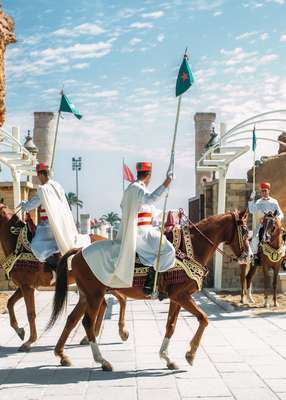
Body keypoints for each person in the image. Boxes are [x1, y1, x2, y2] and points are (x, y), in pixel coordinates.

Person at [82, 161, 175, 294]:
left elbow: (152, 212)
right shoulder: (136, 189)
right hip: (141, 233)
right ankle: (151, 281)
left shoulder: (137, 190)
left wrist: (173, 212)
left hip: (146, 231)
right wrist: (167, 183)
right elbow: (151, 199)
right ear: (149, 175)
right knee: (169, 250)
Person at [18, 163, 90, 268]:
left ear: (41, 175)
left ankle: (55, 267)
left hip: (48, 226)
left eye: (38, 176)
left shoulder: (43, 189)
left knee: (36, 246)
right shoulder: (57, 186)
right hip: (62, 225)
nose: (38, 178)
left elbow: (30, 205)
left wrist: (24, 204)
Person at [248, 181, 283, 265]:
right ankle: (255, 257)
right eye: (262, 191)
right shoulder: (258, 202)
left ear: (268, 191)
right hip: (262, 225)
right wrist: (251, 199)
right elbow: (251, 210)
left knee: (284, 236)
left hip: (273, 224)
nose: (263, 192)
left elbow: (281, 213)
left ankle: (284, 259)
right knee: (255, 239)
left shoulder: (274, 202)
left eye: (265, 190)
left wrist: (277, 218)